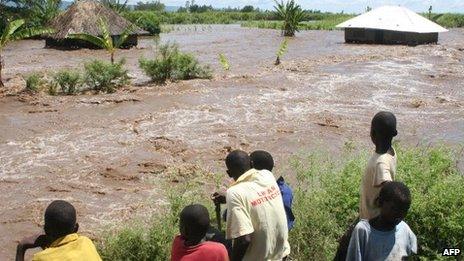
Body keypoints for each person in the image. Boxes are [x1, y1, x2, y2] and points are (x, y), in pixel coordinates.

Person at [213, 150, 290, 261]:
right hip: (281, 254)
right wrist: (229, 197)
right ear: (252, 164)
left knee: (216, 240)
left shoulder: (234, 193)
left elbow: (244, 240)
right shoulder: (267, 175)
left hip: (258, 258)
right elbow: (253, 192)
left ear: (229, 173)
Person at [346, 182, 417, 261]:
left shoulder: (405, 230)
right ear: (380, 202)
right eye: (394, 209)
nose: (400, 214)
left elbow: (410, 256)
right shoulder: (363, 231)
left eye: (405, 210)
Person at [16, 200, 101, 261]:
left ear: (45, 230)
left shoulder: (41, 258)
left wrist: (21, 247)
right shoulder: (86, 242)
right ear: (76, 228)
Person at [360, 111, 398, 220]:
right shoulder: (390, 152)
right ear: (395, 133)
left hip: (373, 222)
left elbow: (391, 189)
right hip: (371, 215)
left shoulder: (380, 163)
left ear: (372, 133)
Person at [250, 150, 295, 230]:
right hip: (283, 233)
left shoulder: (251, 192)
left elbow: (227, 216)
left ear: (251, 166)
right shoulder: (285, 189)